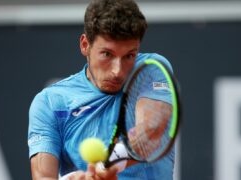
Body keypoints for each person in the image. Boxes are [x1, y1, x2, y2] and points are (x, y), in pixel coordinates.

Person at [28, 0, 176, 179]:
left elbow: (151, 131)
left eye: (129, 55)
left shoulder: (150, 70)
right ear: (85, 45)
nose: (117, 71)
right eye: (107, 54)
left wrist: (109, 164)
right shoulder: (50, 102)